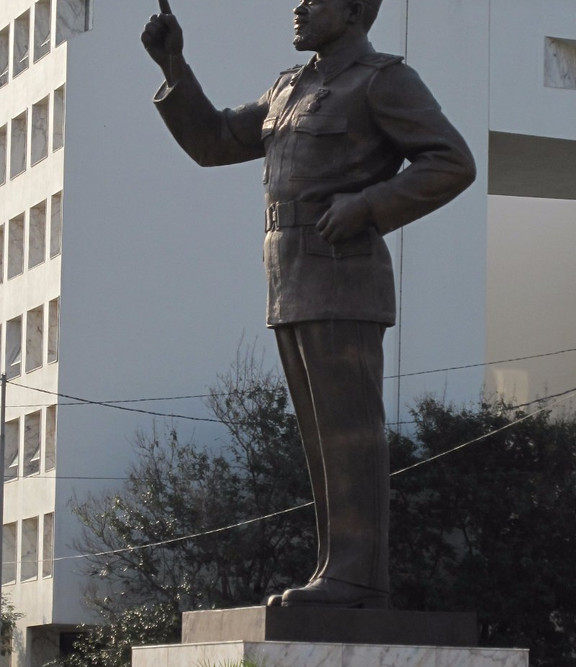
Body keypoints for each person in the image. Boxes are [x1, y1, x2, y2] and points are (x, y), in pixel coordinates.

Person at [143, 0, 476, 608]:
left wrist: (369, 205)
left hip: (345, 271)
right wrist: (174, 66)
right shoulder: (289, 88)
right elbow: (213, 141)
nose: (297, 7)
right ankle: (337, 567)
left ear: (351, 11)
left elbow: (452, 162)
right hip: (290, 273)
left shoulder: (383, 80)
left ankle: (356, 576)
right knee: (322, 438)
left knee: (350, 432)